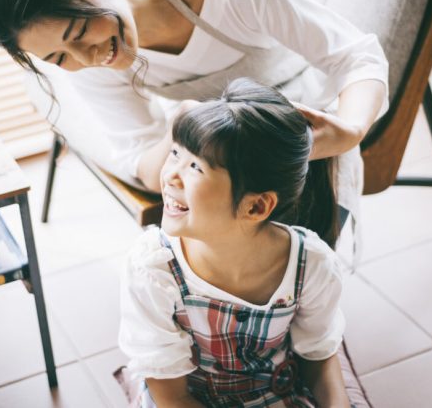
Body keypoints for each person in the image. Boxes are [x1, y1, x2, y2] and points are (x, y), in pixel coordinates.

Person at [0, 0, 389, 243]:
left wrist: (350, 131)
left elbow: (357, 57)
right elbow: (140, 155)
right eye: (59, 57)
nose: (89, 58)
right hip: (224, 147)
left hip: (305, 133)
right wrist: (179, 130)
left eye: (79, 33)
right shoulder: (91, 61)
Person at [118, 78, 348, 407]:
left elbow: (320, 357)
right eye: (174, 154)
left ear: (256, 206)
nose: (170, 175)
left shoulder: (311, 264)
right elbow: (171, 397)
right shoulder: (152, 269)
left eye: (195, 166)